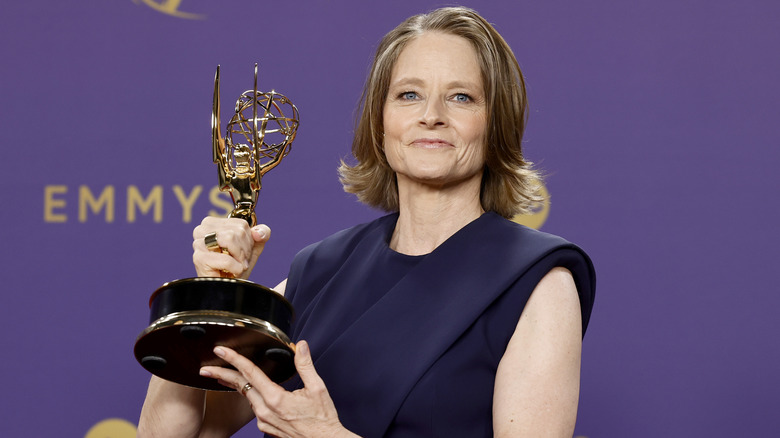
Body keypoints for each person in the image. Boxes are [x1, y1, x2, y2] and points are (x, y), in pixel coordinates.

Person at [139, 6, 595, 438]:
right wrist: (207, 298)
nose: (431, 116)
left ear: (496, 123)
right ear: (380, 122)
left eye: (461, 97)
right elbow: (181, 432)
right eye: (409, 95)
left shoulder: (537, 282)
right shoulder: (318, 270)